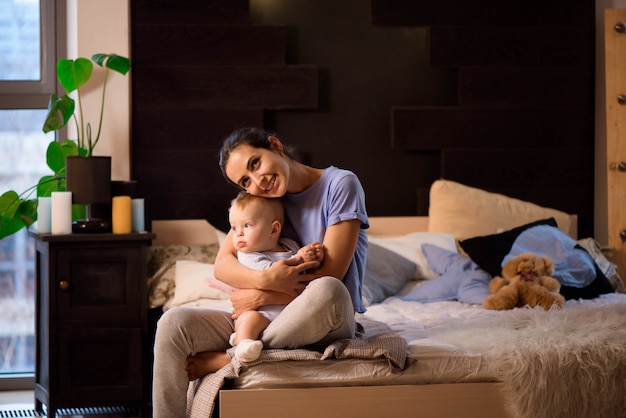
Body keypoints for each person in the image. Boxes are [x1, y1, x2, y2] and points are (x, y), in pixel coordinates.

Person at [152, 127, 368, 417]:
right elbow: (222, 264)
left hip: (325, 317)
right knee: (172, 322)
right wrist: (264, 280)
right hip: (266, 319)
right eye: (245, 181)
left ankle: (230, 358)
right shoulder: (260, 197)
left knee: (327, 289)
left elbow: (329, 274)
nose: (258, 181)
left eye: (255, 163)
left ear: (275, 146)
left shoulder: (340, 184)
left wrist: (255, 297)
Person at [226, 190, 324, 361]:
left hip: (290, 314)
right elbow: (274, 274)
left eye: (247, 225)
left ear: (274, 230)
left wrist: (313, 257)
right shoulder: (247, 255)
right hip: (262, 313)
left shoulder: (290, 245)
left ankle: (244, 337)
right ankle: (243, 346)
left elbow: (305, 275)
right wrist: (300, 258)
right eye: (234, 228)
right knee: (250, 319)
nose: (238, 233)